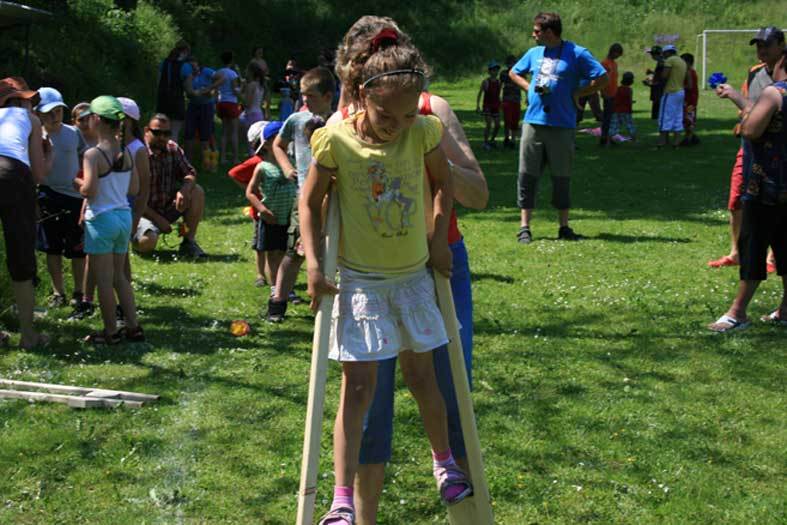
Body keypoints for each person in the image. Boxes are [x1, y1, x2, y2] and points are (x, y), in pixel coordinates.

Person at [302, 36, 472, 525]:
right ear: (362, 96)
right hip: (362, 282)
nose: (397, 126)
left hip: (412, 277)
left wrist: (438, 237)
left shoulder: (423, 132)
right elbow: (310, 203)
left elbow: (443, 185)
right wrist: (313, 265)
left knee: (423, 377)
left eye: (407, 115)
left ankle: (444, 463)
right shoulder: (335, 140)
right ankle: (341, 497)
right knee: (358, 389)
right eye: (386, 116)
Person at [508, 11, 608, 244]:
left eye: (537, 31)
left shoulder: (577, 53)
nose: (533, 35)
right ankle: (524, 227)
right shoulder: (534, 53)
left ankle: (564, 227)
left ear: (550, 32)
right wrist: (529, 89)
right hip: (533, 123)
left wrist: (579, 92)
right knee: (527, 175)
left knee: (561, 177)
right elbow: (513, 72)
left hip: (562, 125)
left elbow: (602, 77)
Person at [708, 52, 787, 332]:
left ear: (782, 62)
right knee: (784, 244)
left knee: (753, 244)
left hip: (766, 183)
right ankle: (786, 310)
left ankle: (738, 312)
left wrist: (744, 120)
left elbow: (751, 130)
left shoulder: (775, 92)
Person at [708, 27, 785, 271]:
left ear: (781, 45)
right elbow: (749, 108)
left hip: (777, 152)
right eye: (758, 45)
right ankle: (736, 253)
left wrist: (735, 97)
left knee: (773, 203)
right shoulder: (754, 73)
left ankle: (772, 258)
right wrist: (741, 115)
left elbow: (760, 111)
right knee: (737, 199)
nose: (761, 50)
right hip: (750, 148)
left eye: (767, 45)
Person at [267, 67, 337, 322]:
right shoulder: (297, 119)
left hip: (335, 197)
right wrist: (287, 167)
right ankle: (277, 302)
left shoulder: (339, 122)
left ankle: (329, 304)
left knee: (332, 249)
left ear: (328, 96)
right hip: (305, 196)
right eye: (303, 95)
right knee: (296, 250)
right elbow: (278, 145)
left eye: (311, 96)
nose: (305, 100)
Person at [73, 96, 143, 344]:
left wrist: (77, 182)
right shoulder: (127, 152)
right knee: (119, 277)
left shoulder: (93, 154)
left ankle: (111, 332)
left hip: (101, 219)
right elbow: (134, 188)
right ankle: (134, 327)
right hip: (123, 217)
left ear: (96, 119)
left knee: (103, 281)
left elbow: (89, 190)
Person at [0, 77, 49, 348]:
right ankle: (28, 336)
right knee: (21, 259)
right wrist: (49, 156)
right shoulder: (31, 120)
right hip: (12, 174)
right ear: (21, 101)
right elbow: (39, 175)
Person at [34, 87, 88, 311]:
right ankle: (58, 292)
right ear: (38, 113)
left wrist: (84, 182)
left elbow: (85, 155)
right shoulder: (35, 136)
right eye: (48, 112)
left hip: (74, 197)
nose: (54, 116)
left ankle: (79, 291)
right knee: (51, 247)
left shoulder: (73, 133)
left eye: (58, 111)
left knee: (77, 248)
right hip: (48, 194)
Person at [134, 113, 207, 259]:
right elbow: (132, 198)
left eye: (166, 133)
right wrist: (157, 219)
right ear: (146, 131)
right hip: (143, 212)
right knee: (147, 243)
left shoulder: (173, 148)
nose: (162, 137)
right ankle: (134, 239)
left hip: (168, 207)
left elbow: (190, 172)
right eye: (157, 132)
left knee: (196, 191)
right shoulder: (138, 153)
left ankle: (188, 242)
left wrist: (184, 190)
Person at [245, 121, 295, 301]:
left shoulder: (292, 163)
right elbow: (250, 192)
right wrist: (262, 210)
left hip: (290, 218)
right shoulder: (263, 167)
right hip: (270, 219)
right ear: (267, 143)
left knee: (287, 254)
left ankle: (287, 287)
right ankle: (276, 287)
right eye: (280, 137)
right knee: (273, 255)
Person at [229, 120, 267, 285]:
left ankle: (275, 274)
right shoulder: (256, 161)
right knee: (260, 244)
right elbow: (234, 173)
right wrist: (251, 189)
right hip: (260, 211)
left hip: (279, 207)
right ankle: (260, 275)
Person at [182, 56, 223, 165]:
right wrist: (194, 93)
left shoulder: (206, 71)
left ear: (198, 64)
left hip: (207, 106)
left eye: (194, 64)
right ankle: (188, 162)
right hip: (193, 105)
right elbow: (188, 92)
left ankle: (207, 163)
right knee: (189, 134)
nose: (192, 67)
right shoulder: (187, 75)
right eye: (190, 66)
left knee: (206, 135)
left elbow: (221, 78)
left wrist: (209, 89)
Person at [155, 40, 190, 143]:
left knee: (162, 131)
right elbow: (188, 89)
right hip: (177, 101)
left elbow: (158, 83)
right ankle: (171, 152)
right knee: (174, 132)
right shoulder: (185, 66)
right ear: (185, 52)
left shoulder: (164, 63)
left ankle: (159, 152)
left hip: (162, 100)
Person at [656, 45, 687, 148]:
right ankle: (676, 143)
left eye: (664, 54)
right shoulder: (682, 61)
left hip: (670, 92)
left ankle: (661, 142)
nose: (663, 56)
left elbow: (664, 76)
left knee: (664, 117)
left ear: (667, 52)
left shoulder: (670, 60)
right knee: (678, 117)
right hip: (680, 92)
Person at [216, 51, 242, 164]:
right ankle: (235, 158)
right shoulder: (232, 74)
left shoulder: (218, 72)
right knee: (234, 132)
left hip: (221, 102)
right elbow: (235, 90)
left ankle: (222, 158)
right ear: (231, 60)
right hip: (231, 102)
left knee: (224, 131)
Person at [600, 43, 623, 146]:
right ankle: (604, 138)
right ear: (613, 52)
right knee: (607, 117)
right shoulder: (605, 63)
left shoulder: (614, 64)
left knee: (612, 118)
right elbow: (601, 80)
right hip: (607, 94)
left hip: (614, 94)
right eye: (617, 54)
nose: (618, 56)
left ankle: (610, 137)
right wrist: (603, 92)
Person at [476, 60, 502, 150]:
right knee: (489, 124)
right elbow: (480, 94)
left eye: (497, 70)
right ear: (489, 71)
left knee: (498, 125)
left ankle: (492, 140)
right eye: (493, 70)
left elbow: (498, 94)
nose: (495, 72)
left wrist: (500, 104)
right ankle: (485, 142)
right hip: (487, 106)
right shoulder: (486, 82)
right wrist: (478, 105)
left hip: (496, 106)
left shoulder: (499, 82)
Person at [500, 54, 523, 148]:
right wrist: (499, 97)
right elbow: (500, 85)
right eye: (510, 63)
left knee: (515, 120)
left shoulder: (520, 73)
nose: (512, 64)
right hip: (507, 99)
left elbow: (523, 85)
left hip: (516, 99)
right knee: (507, 120)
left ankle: (513, 140)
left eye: (514, 62)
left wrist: (527, 97)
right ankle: (506, 138)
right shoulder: (503, 73)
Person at [609, 71, 636, 141]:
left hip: (616, 110)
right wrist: (631, 109)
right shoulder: (629, 90)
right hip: (626, 110)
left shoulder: (617, 89)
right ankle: (633, 138)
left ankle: (609, 139)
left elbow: (615, 99)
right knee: (629, 124)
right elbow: (629, 101)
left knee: (614, 125)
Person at [679, 53, 699, 146]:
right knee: (688, 117)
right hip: (691, 98)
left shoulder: (689, 72)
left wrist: (680, 86)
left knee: (689, 118)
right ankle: (691, 137)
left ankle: (689, 139)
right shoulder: (691, 71)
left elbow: (690, 86)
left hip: (690, 99)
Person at [644, 46, 666, 120]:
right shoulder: (661, 62)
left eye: (653, 54)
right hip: (658, 87)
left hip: (659, 89)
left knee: (657, 107)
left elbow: (662, 77)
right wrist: (652, 72)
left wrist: (650, 84)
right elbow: (659, 74)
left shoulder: (662, 63)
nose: (652, 56)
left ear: (657, 54)